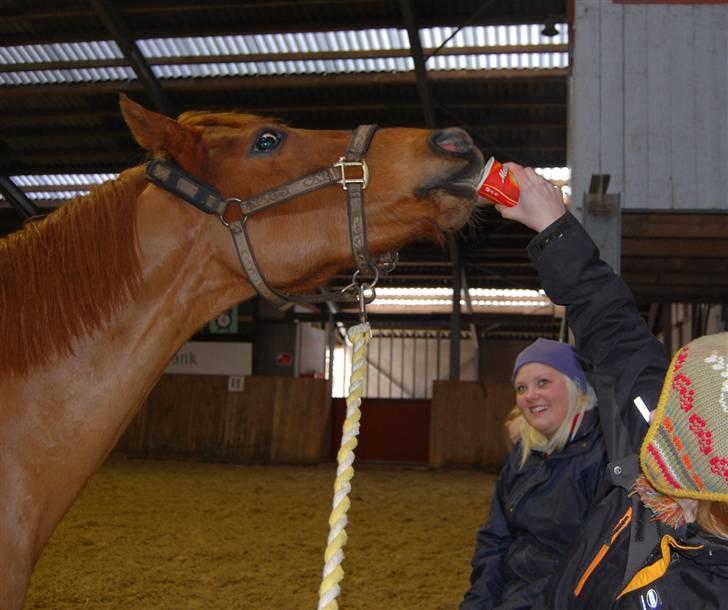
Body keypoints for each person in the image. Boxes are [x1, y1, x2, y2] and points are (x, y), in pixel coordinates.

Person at [494, 163, 728, 608]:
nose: (530, 397)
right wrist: (553, 227)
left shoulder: (644, 459)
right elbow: (619, 339)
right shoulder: (658, 445)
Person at [460, 166, 628, 609]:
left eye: (542, 382)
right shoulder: (522, 456)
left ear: (575, 388)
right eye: (521, 387)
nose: (530, 394)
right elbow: (495, 541)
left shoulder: (606, 456)